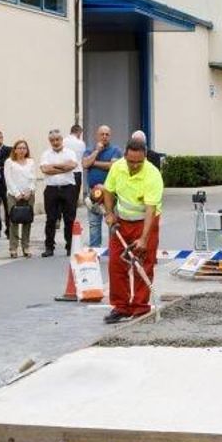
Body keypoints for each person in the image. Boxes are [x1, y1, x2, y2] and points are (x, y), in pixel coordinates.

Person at [102, 138, 163, 324]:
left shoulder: (152, 174)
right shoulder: (117, 167)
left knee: (143, 263)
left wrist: (144, 239)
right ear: (125, 157)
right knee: (116, 264)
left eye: (139, 161)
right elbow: (107, 190)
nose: (135, 165)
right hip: (122, 222)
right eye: (131, 161)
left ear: (145, 157)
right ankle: (121, 307)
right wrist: (110, 213)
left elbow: (150, 209)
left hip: (146, 223)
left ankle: (140, 307)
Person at [39, 129, 80, 257]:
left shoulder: (70, 152)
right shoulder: (45, 154)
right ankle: (49, 247)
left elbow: (72, 165)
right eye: (52, 140)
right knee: (50, 219)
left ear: (62, 140)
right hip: (51, 189)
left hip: (68, 189)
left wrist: (54, 167)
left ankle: (69, 247)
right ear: (49, 141)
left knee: (69, 219)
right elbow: (45, 169)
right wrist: (63, 167)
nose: (55, 142)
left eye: (57, 139)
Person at [81, 125, 121, 248]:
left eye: (107, 134)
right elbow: (85, 164)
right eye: (102, 134)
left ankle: (113, 252)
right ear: (97, 136)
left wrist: (94, 163)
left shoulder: (116, 150)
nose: (104, 137)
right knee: (94, 224)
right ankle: (94, 253)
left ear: (110, 136)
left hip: (110, 193)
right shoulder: (89, 150)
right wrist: (97, 151)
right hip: (93, 194)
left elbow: (112, 166)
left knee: (112, 222)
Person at [3, 140, 37, 257]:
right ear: (15, 150)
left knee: (27, 220)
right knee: (14, 221)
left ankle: (26, 247)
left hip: (28, 195)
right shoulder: (9, 162)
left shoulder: (31, 162)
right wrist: (17, 193)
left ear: (27, 150)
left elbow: (33, 178)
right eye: (19, 148)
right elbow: (8, 179)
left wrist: (30, 191)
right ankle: (13, 248)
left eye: (24, 148)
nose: (22, 150)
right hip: (13, 195)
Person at [65, 124, 87, 206]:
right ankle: (72, 216)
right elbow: (82, 157)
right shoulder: (81, 143)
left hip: (65, 172)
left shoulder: (63, 141)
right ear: (78, 132)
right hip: (77, 172)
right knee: (74, 198)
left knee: (65, 196)